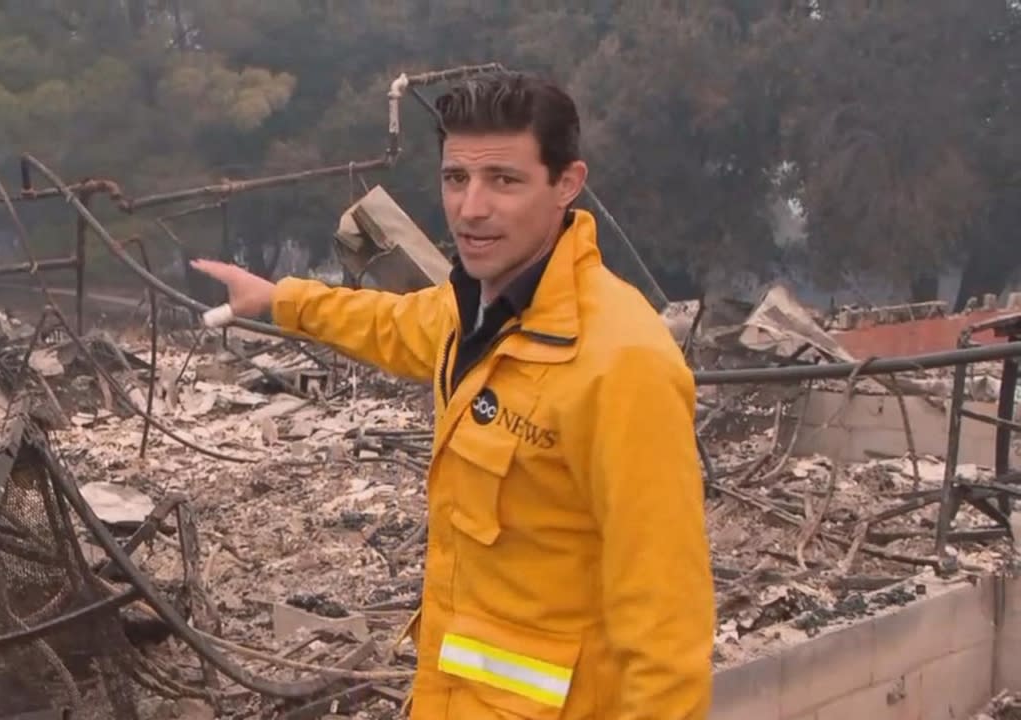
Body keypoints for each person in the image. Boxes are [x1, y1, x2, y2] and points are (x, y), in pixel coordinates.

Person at [191, 71, 714, 720]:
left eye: (505, 180)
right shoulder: (471, 309)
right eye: (455, 179)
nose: (471, 208)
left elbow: (666, 623)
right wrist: (278, 300)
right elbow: (387, 324)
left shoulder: (621, 362)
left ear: (567, 184)